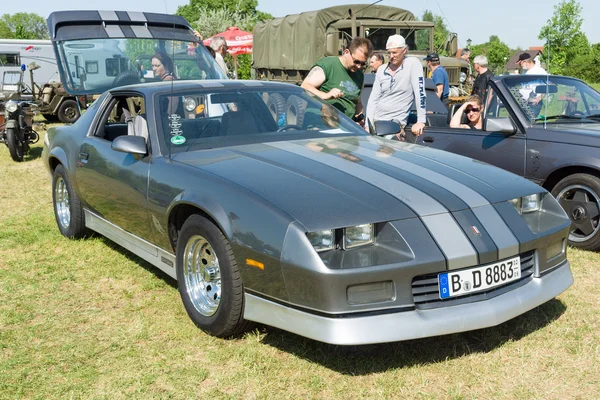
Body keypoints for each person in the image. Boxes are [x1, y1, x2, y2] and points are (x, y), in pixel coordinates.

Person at [366, 34, 426, 142]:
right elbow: (373, 99)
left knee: (385, 154)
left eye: (394, 52)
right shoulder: (382, 69)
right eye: (389, 53)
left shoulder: (413, 64)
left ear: (404, 50)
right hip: (377, 122)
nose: (391, 56)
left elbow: (420, 92)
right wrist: (367, 124)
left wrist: (421, 120)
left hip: (394, 125)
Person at [301, 37, 373, 121]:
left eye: (363, 63)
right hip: (319, 125)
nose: (359, 66)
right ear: (346, 52)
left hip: (345, 127)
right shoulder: (328, 65)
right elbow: (304, 86)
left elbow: (358, 103)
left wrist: (360, 118)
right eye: (356, 61)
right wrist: (325, 95)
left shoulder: (360, 76)